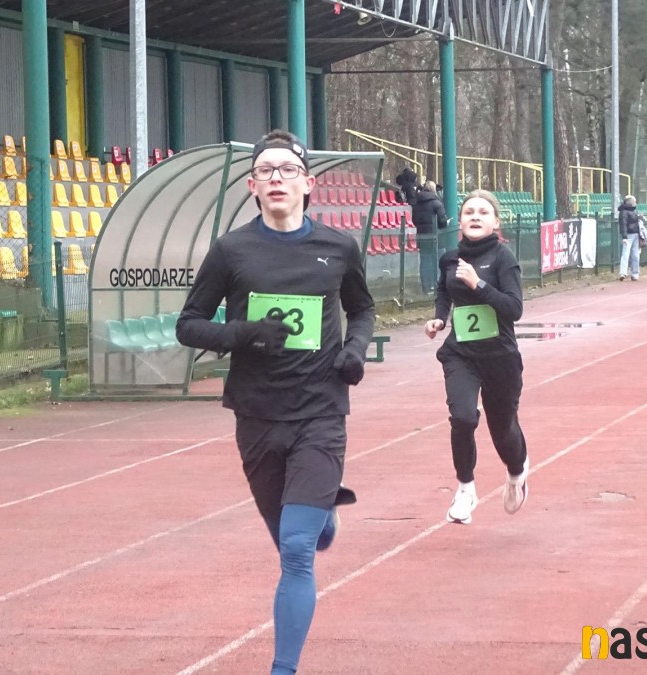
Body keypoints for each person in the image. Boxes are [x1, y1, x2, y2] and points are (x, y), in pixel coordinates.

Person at [175, 130, 376, 675]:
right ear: (252, 186)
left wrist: (354, 351)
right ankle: (324, 515)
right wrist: (244, 334)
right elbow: (188, 325)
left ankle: (282, 669)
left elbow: (361, 310)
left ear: (308, 184)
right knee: (297, 538)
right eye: (266, 171)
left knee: (296, 551)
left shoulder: (339, 248)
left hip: (320, 413)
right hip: (258, 416)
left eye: (287, 170)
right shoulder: (231, 251)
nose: (276, 179)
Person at [423, 189, 529, 525]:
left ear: (495, 222)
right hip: (461, 354)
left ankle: (517, 473)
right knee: (463, 417)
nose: (475, 217)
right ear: (460, 221)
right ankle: (466, 488)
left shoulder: (503, 258)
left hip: (500, 356)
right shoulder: (450, 259)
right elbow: (444, 291)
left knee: (502, 431)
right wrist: (440, 318)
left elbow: (514, 309)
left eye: (483, 212)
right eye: (469, 212)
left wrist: (478, 284)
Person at [412, 180, 448, 294]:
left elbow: (414, 220)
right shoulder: (437, 203)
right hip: (436, 236)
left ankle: (426, 286)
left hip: (422, 236)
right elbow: (442, 221)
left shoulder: (416, 203)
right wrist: (446, 222)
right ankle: (438, 284)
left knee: (425, 261)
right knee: (439, 260)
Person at [617, 195, 643, 281]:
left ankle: (635, 274)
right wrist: (624, 237)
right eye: (634, 202)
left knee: (635, 255)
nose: (635, 203)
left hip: (636, 234)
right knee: (626, 254)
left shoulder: (633, 211)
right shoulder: (624, 212)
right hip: (629, 235)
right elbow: (623, 224)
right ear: (631, 202)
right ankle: (623, 273)